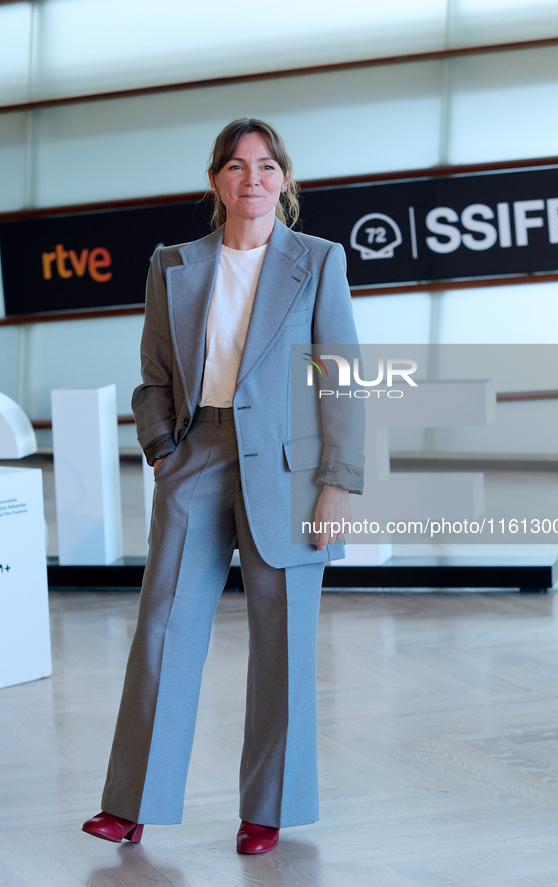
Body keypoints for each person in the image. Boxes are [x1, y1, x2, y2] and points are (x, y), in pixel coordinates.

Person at [82, 117, 364, 854]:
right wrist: (159, 450)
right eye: (237, 167)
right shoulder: (172, 263)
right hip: (194, 454)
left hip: (287, 468)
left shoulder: (318, 261)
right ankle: (132, 801)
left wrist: (337, 482)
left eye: (266, 167)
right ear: (216, 180)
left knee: (282, 641)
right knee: (163, 629)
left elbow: (340, 380)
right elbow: (152, 376)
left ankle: (265, 810)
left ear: (284, 180)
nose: (252, 180)